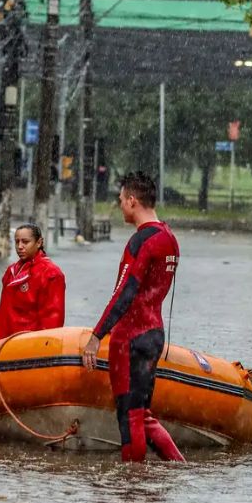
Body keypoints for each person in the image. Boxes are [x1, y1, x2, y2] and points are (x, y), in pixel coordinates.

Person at [82, 172, 185, 463]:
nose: (120, 206)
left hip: (130, 338)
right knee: (142, 413)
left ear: (132, 200)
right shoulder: (169, 238)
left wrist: (97, 335)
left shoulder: (142, 241)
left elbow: (124, 293)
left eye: (121, 201)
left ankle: (131, 486)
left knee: (129, 417)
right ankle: (179, 468)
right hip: (154, 335)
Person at [0, 224, 66, 342]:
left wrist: (43, 350)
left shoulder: (51, 274)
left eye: (25, 242)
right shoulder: (11, 272)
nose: (20, 246)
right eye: (17, 242)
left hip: (29, 346)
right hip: (4, 344)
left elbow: (52, 320)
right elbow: (3, 314)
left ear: (39, 242)